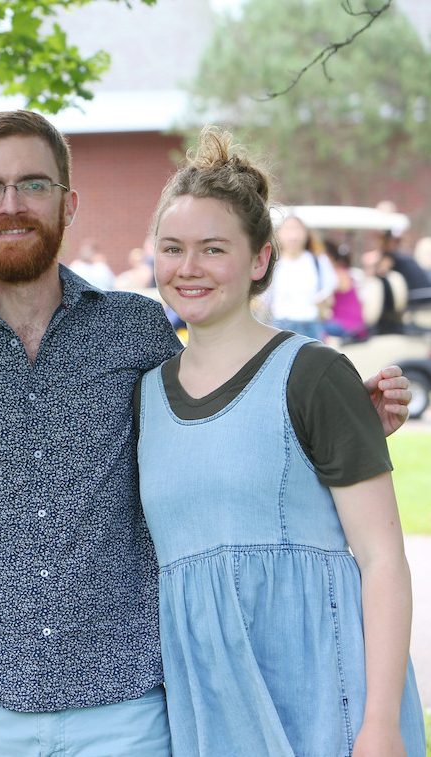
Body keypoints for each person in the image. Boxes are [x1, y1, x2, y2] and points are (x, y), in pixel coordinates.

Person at [0, 110, 412, 756]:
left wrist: (338, 420)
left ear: (69, 203)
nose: (11, 205)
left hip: (125, 705)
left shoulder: (136, 330)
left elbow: (221, 417)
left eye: (34, 184)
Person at [138, 127, 424, 755]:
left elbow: (382, 560)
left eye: (214, 249)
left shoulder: (314, 374)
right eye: (172, 248)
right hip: (214, 709)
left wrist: (379, 724)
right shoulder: (146, 395)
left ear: (260, 260)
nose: (188, 268)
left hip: (327, 696)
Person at [262, 214, 332, 339]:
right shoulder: (273, 262)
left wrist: (320, 302)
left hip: (310, 325)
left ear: (306, 233)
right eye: (288, 229)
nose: (293, 236)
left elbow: (328, 287)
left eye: (297, 229)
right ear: (279, 234)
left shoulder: (317, 260)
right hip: (280, 325)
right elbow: (264, 295)